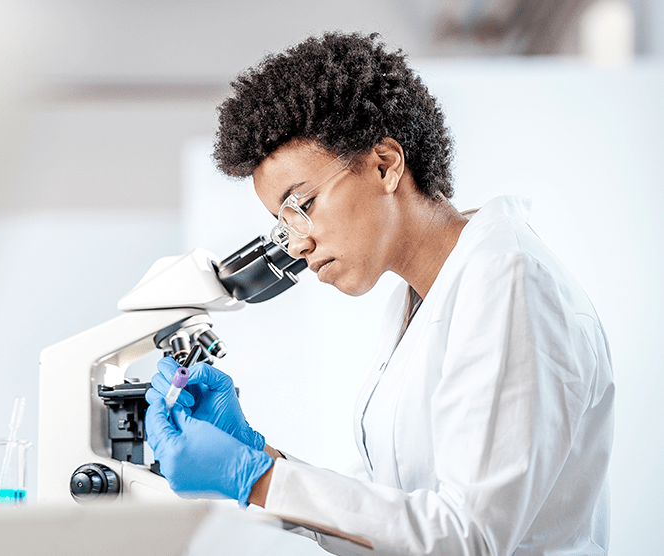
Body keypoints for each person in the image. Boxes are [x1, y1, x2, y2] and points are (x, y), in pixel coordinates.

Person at [144, 32, 614, 555]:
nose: (297, 244)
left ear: (386, 164)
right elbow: (389, 520)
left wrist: (257, 479)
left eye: (300, 206)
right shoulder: (417, 300)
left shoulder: (508, 280)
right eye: (281, 224)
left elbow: (468, 539)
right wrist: (261, 456)